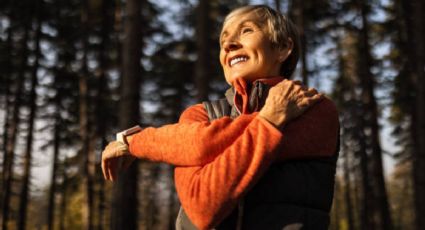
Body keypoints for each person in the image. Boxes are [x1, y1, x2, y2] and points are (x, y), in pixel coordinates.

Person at [102, 5, 339, 230]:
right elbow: (202, 206)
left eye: (246, 30)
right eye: (223, 40)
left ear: (283, 48)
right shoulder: (200, 115)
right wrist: (269, 119)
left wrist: (135, 142)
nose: (228, 44)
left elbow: (202, 143)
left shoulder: (315, 110)